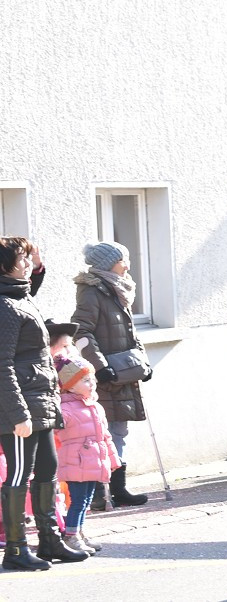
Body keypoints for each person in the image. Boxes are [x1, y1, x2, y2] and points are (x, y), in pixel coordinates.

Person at [0, 237, 88, 571]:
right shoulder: (5, 307)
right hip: (19, 408)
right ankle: (17, 549)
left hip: (40, 402)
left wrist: (37, 263)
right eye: (21, 258)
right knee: (18, 476)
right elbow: (2, 364)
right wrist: (18, 414)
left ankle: (50, 540)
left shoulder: (18, 297)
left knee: (48, 470)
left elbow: (27, 286)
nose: (27, 262)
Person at [71, 241, 152, 508]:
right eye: (123, 260)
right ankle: (100, 492)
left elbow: (130, 332)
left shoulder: (119, 288)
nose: (127, 265)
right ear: (109, 263)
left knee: (119, 431)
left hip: (124, 372)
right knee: (104, 434)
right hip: (106, 376)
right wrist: (99, 366)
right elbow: (81, 331)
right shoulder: (92, 291)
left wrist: (144, 361)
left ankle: (118, 489)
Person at [50, 320, 120, 556]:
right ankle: (71, 535)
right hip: (76, 462)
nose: (92, 384)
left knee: (86, 500)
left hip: (91, 463)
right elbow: (57, 434)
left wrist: (112, 458)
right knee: (78, 501)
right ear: (69, 385)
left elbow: (104, 436)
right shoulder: (65, 409)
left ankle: (78, 532)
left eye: (92, 379)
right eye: (85, 380)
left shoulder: (93, 407)